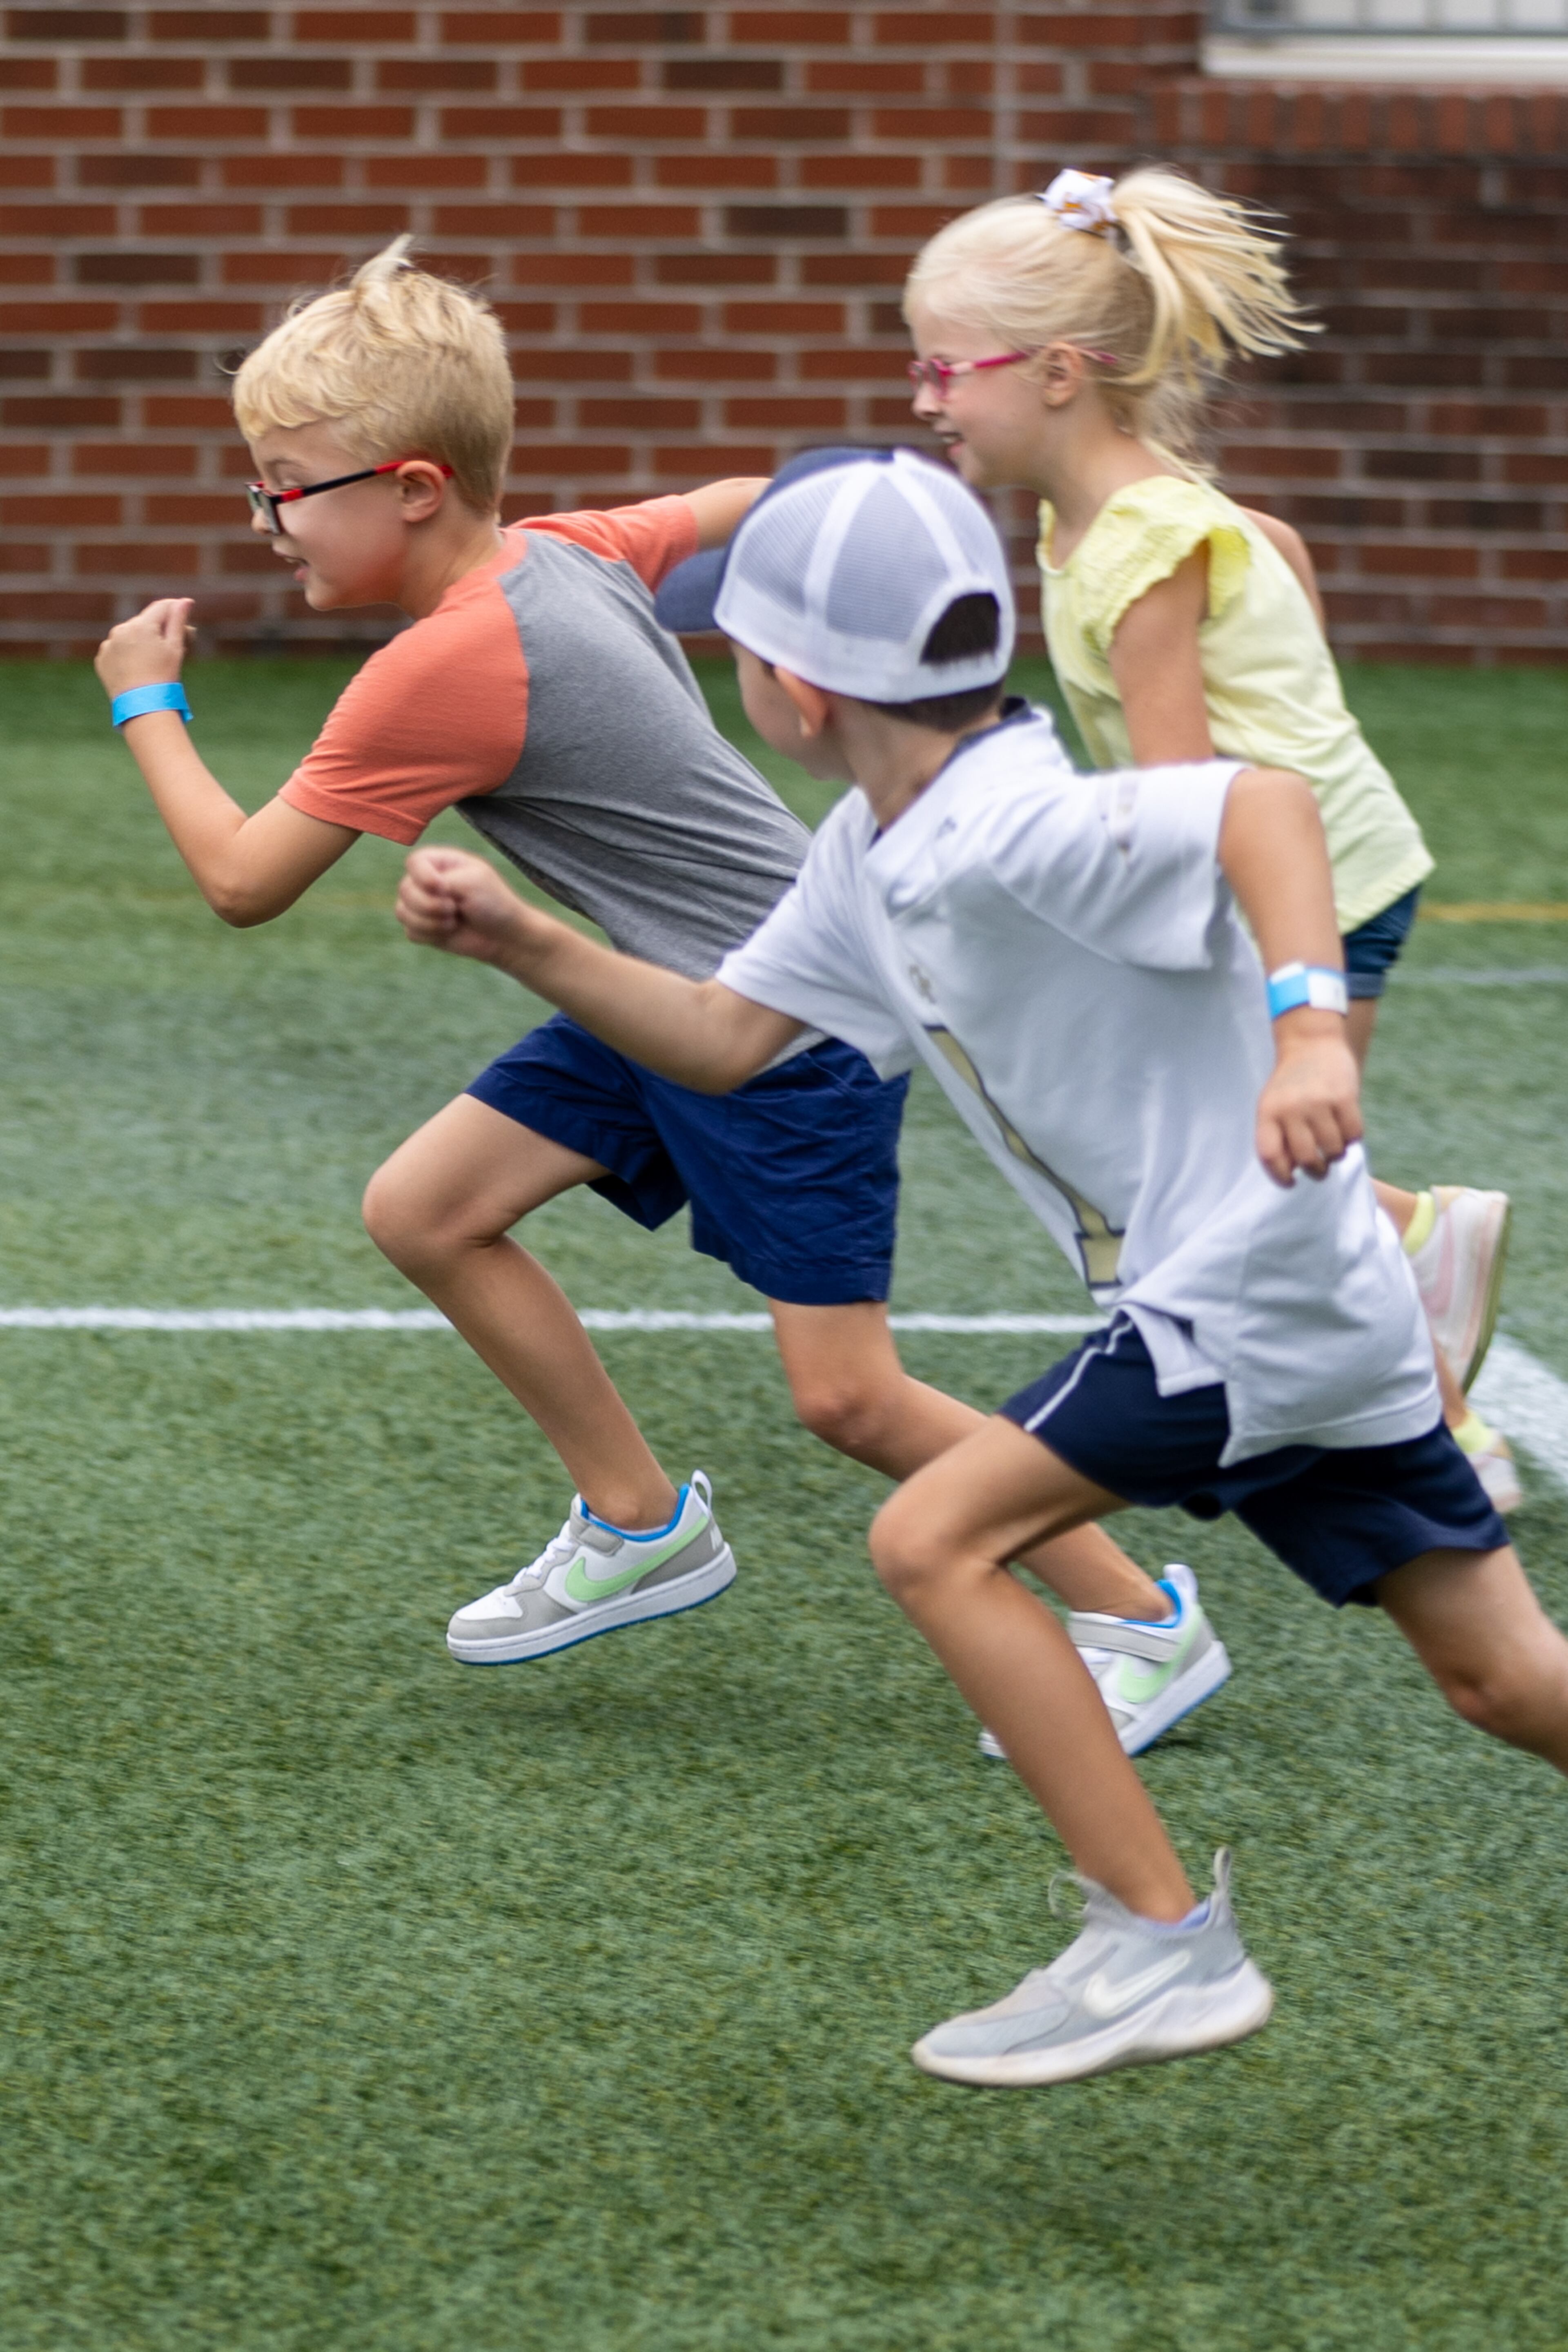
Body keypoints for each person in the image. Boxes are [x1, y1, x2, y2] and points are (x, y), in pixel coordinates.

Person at [393, 448, 1568, 2088]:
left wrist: (1313, 1033)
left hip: (1246, 1292)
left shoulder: (1012, 823)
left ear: (794, 688)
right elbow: (728, 1038)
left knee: (932, 1533)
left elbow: (1262, 804)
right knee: (1503, 1681)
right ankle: (1152, 1932)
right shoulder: (872, 849)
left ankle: (1155, 1937)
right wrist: (532, 942)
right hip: (1303, 1308)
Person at [91, 240, 1213, 1717]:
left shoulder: (436, 671)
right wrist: (873, 517)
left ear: (416, 489)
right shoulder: (559, 545)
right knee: (427, 1210)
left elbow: (244, 884)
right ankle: (640, 1521)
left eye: (285, 487)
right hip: (666, 989)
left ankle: (1142, 1619)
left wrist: (146, 702)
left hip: (782, 1027)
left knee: (849, 1399)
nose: (263, 519)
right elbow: (751, 505)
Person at [902, 165, 1517, 1512]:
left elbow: (1182, 792)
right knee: (1271, 1153)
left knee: (1282, 1162)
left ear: (1059, 372)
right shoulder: (1111, 515)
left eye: (950, 370)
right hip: (1291, 869)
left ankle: (1442, 1409)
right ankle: (1418, 1239)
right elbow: (1273, 542)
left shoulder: (1136, 546)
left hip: (1319, 887)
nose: (925, 398)